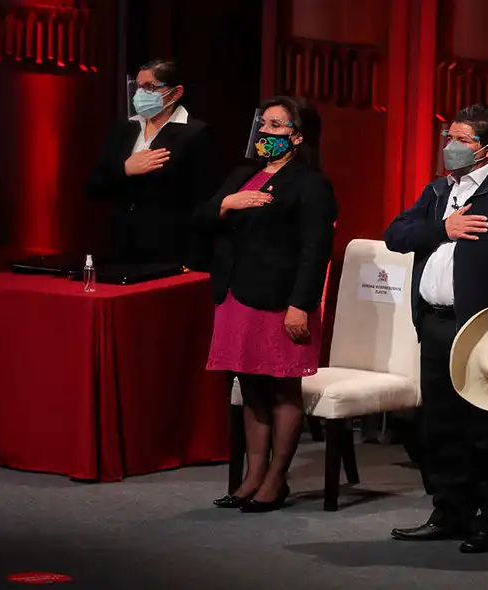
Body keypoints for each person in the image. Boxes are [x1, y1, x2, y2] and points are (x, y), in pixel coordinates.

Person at [383, 104, 488, 553]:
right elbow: (396, 235)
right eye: (447, 138)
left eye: (460, 140)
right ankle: (449, 511)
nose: (449, 147)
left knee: (487, 427)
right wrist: (444, 229)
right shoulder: (439, 192)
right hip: (435, 324)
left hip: (483, 328)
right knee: (439, 425)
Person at [197, 96, 337, 513]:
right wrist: (227, 203)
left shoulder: (310, 183)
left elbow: (316, 249)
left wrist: (301, 304)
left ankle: (277, 479)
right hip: (236, 295)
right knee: (250, 385)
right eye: (264, 123)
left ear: (296, 136)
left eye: (275, 126)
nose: (264, 132)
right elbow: (200, 218)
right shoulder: (243, 175)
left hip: (280, 300)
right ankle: (252, 476)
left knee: (281, 388)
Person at [86, 59, 219, 269]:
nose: (140, 94)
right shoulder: (125, 128)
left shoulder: (195, 134)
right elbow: (94, 186)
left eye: (149, 87)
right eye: (138, 87)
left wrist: (194, 259)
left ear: (176, 93)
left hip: (168, 252)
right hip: (119, 248)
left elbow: (203, 202)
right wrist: (125, 170)